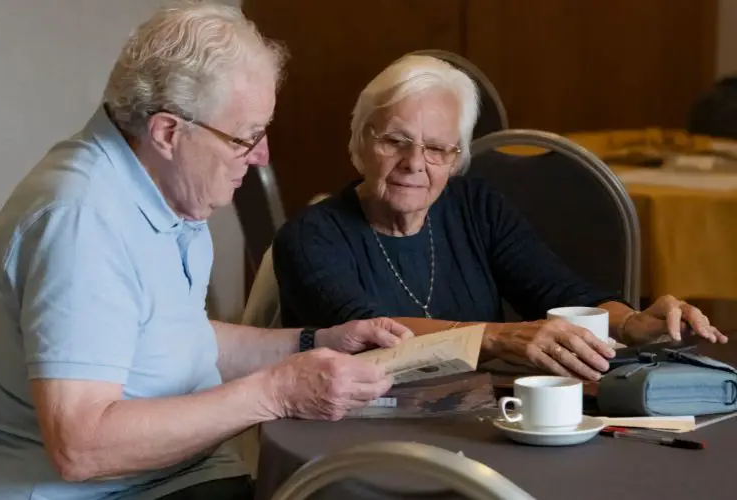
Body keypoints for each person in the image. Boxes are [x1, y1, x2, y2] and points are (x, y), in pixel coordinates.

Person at [0, 4, 413, 499]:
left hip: (170, 480)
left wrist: (317, 342)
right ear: (168, 132)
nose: (262, 155)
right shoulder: (83, 222)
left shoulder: (160, 188)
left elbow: (173, 341)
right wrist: (276, 391)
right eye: (246, 136)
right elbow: (81, 447)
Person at [272, 54, 728, 383]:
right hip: (357, 436)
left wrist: (633, 323)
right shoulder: (311, 237)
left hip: (484, 428)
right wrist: (497, 338)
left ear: (456, 158)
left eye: (436, 148)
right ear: (361, 142)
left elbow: (560, 293)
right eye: (396, 140)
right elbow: (370, 337)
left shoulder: (476, 207)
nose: (415, 162)